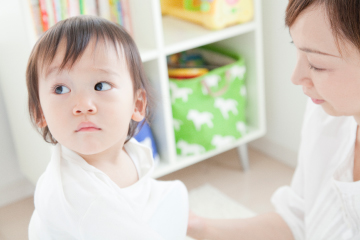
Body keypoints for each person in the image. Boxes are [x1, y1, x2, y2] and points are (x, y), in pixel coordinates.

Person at [187, 0, 360, 239]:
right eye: (297, 49)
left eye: (316, 65)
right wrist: (198, 227)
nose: (296, 77)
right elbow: (299, 218)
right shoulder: (326, 113)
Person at [26, 15, 188, 240]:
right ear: (40, 112)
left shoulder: (127, 149)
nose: (83, 105)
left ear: (137, 104)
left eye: (100, 85)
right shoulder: (79, 196)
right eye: (61, 89)